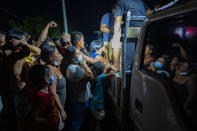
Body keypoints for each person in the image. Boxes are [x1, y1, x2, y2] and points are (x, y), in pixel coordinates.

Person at [111, 0, 149, 71]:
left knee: (115, 40)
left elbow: (117, 22)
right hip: (145, 29)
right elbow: (149, 13)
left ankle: (116, 66)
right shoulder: (140, 1)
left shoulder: (121, 2)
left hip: (132, 30)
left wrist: (115, 37)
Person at [66, 46, 94, 131]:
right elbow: (91, 76)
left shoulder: (74, 66)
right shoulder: (74, 69)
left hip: (80, 98)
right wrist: (84, 64)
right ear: (73, 57)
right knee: (76, 123)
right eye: (78, 54)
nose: (81, 55)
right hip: (80, 101)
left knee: (80, 121)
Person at [40, 40, 67, 121]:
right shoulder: (50, 71)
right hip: (56, 109)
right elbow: (52, 92)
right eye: (57, 54)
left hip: (61, 104)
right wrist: (62, 110)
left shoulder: (55, 67)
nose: (59, 55)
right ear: (51, 58)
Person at [29, 64, 60, 131]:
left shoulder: (43, 91)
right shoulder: (42, 97)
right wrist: (47, 123)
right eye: (50, 74)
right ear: (46, 79)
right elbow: (33, 117)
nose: (53, 76)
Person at [90, 61, 115, 131]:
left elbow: (104, 73)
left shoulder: (95, 76)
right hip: (98, 105)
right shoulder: (100, 77)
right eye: (104, 67)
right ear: (101, 69)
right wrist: (112, 67)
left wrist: (106, 69)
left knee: (93, 123)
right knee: (98, 125)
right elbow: (113, 73)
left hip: (93, 104)